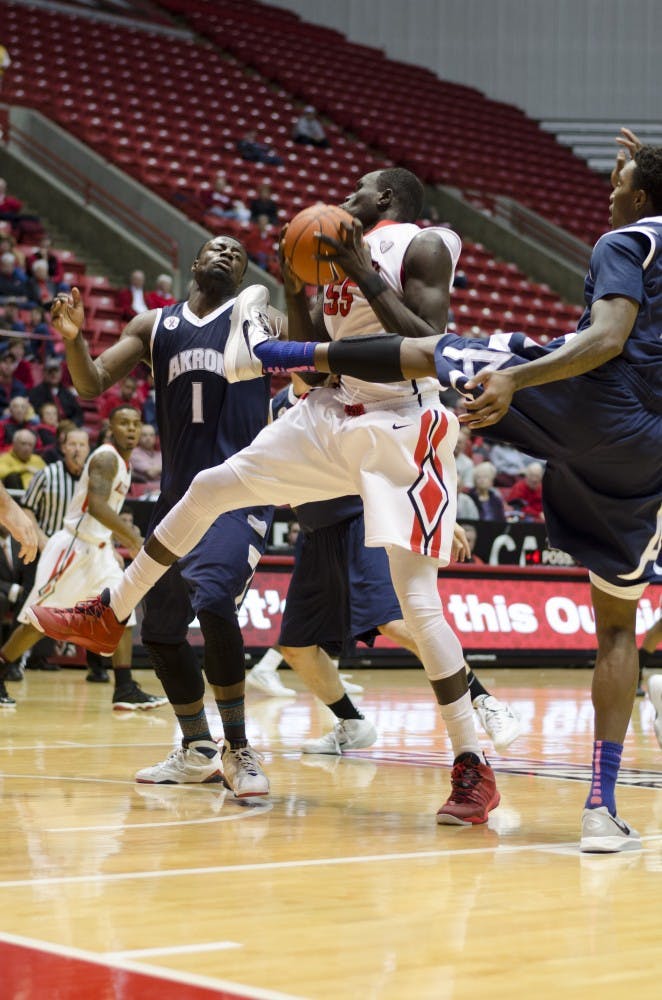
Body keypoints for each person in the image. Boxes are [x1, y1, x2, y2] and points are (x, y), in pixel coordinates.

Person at [221, 133, 662, 852]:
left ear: (642, 196)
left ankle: (274, 354)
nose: (609, 187)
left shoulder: (627, 239)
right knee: (618, 627)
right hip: (646, 455)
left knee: (444, 350)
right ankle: (600, 812)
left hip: (601, 406)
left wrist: (520, 375)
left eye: (620, 179)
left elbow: (609, 336)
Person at [33, 169, 503, 826]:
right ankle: (111, 612)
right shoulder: (324, 261)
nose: (344, 198)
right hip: (329, 412)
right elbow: (312, 368)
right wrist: (295, 279)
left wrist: (361, 271)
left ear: (387, 200)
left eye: (358, 190)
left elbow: (426, 343)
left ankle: (472, 767)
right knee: (208, 486)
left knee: (418, 605)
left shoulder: (424, 244)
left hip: (402, 426)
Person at [31, 236, 280, 799]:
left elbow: (293, 345)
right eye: (216, 248)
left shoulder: (256, 315)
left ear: (244, 276)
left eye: (237, 255)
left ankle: (238, 749)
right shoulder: (153, 326)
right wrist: (72, 342)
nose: (226, 255)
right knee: (161, 631)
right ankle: (197, 749)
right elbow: (92, 381)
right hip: (177, 495)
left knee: (214, 599)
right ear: (194, 263)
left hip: (239, 492)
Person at [0, 406, 167, 709]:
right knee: (38, 618)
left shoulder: (124, 463)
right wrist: (133, 539)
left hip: (99, 549)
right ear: (109, 428)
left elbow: (104, 517)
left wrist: (113, 545)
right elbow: (97, 508)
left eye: (135, 423)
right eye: (123, 423)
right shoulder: (105, 458)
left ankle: (125, 687)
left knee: (122, 608)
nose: (131, 429)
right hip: (73, 549)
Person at [29, 356, 84, 425]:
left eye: (56, 371)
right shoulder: (36, 393)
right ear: (44, 373)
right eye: (50, 371)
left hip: (67, 427)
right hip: (45, 427)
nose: (53, 374)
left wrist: (71, 425)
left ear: (61, 373)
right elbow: (34, 415)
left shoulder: (67, 393)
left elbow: (78, 414)